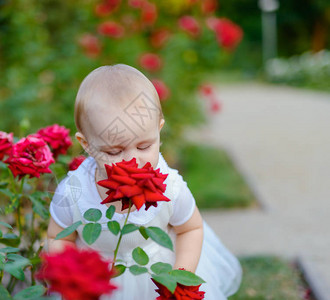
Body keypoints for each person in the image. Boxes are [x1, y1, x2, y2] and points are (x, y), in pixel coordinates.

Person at [47, 64, 242, 299]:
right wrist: (74, 277)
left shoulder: (170, 186)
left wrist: (179, 277)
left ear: (159, 131)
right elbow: (59, 237)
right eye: (114, 151)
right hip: (98, 282)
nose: (132, 160)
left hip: (154, 276)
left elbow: (190, 228)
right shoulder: (74, 191)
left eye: (144, 146)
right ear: (87, 144)